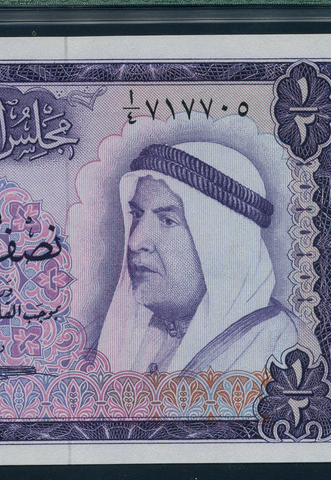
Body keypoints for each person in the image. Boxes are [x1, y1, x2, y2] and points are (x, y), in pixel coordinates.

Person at [94, 142, 296, 373]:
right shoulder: (126, 335)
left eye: (167, 221)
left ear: (223, 243)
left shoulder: (280, 349)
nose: (135, 242)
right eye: (137, 215)